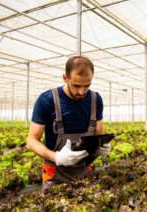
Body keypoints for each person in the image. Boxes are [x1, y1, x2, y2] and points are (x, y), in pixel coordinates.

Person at [26, 55, 111, 191]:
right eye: (76, 85)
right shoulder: (47, 100)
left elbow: (98, 132)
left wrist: (101, 146)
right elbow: (31, 141)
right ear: (65, 78)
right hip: (55, 174)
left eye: (87, 85)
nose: (81, 92)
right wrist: (56, 157)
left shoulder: (96, 100)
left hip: (85, 170)